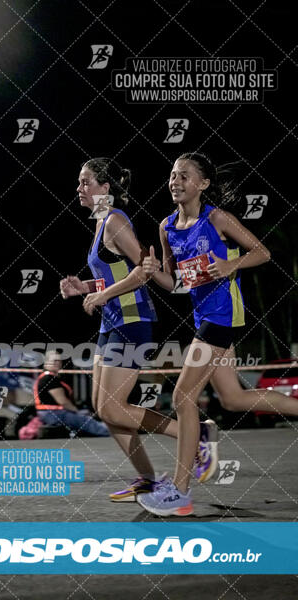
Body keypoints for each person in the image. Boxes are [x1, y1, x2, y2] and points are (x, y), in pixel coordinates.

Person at [138, 151, 298, 516]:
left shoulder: (218, 218)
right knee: (233, 399)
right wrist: (151, 272)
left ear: (203, 184)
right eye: (172, 175)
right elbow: (173, 282)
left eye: (183, 176)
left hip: (224, 315)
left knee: (182, 396)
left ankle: (180, 492)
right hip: (202, 316)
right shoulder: (166, 227)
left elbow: (262, 252)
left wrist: (230, 264)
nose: (175, 182)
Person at [60, 157, 218, 502]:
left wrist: (101, 294)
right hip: (112, 322)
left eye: (86, 182)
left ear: (105, 189)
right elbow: (114, 275)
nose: (79, 189)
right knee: (103, 409)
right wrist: (85, 287)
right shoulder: (101, 223)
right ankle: (147, 479)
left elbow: (144, 272)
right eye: (79, 182)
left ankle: (196, 437)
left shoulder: (115, 222)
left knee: (115, 409)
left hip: (134, 322)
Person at [34, 351, 109, 437]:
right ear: (46, 363)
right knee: (85, 419)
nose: (57, 363)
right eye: (54, 361)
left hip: (50, 413)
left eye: (59, 360)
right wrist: (77, 411)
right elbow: (63, 401)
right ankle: (112, 433)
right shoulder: (49, 379)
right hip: (54, 413)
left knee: (85, 415)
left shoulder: (48, 377)